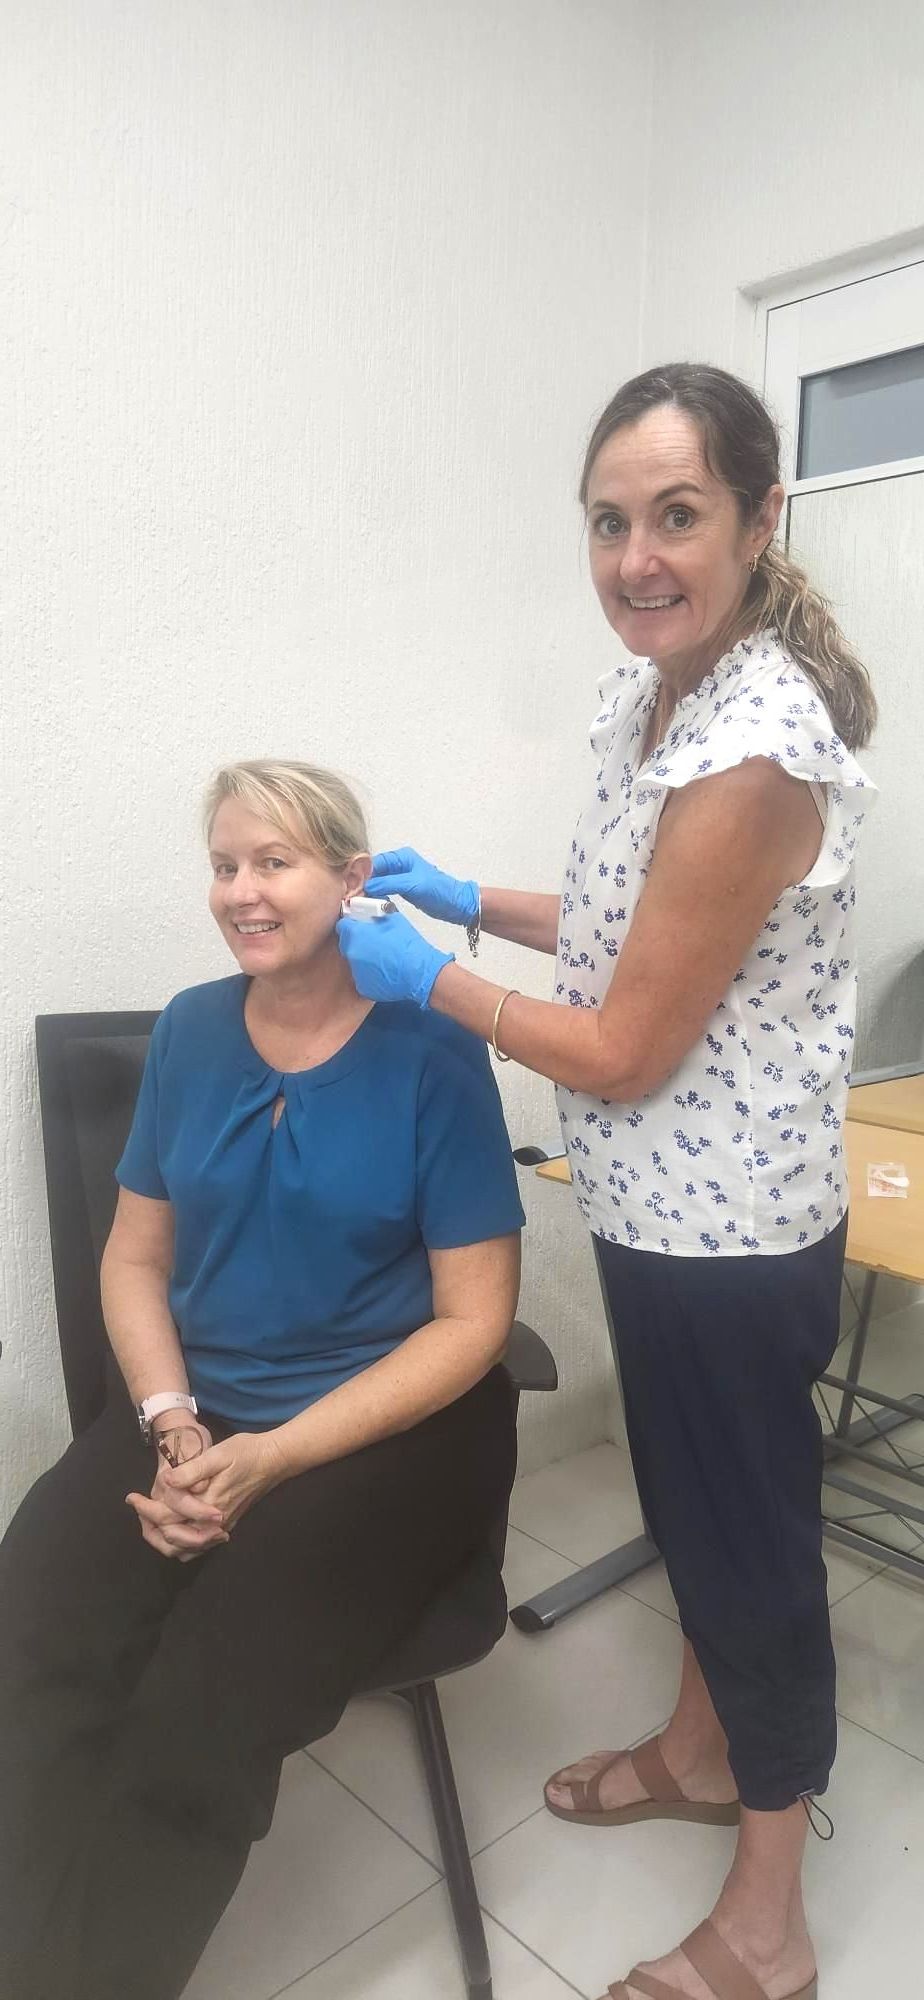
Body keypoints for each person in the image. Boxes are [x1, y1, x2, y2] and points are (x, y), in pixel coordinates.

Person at [337, 363, 878, 2000]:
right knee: (701, 1520)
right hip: (658, 1209)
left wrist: (423, 978)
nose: (635, 555)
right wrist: (465, 897)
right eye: (608, 521)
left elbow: (626, 1043)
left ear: (755, 516)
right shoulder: (656, 699)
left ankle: (767, 1925)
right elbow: (626, 929)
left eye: (676, 516)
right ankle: (702, 1750)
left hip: (725, 1233)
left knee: (746, 1551)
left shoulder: (749, 751)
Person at [0, 758, 525, 2000]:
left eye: (273, 862)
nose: (241, 890)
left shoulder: (431, 1045)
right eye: (225, 863)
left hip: (388, 1426)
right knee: (34, 1628)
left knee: (198, 1710)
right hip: (203, 1408)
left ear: (350, 880)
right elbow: (135, 1255)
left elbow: (476, 1322)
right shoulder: (189, 1027)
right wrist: (173, 1423)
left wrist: (272, 1460)